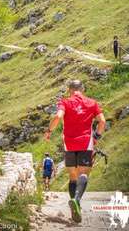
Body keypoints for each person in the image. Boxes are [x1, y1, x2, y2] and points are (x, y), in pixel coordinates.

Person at [44, 79, 106, 223]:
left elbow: (58, 116)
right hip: (85, 143)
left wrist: (49, 131)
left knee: (73, 176)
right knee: (83, 174)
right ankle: (76, 201)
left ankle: (74, 207)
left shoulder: (65, 102)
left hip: (69, 144)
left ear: (70, 90)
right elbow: (102, 121)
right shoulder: (92, 102)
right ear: (82, 89)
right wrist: (96, 136)